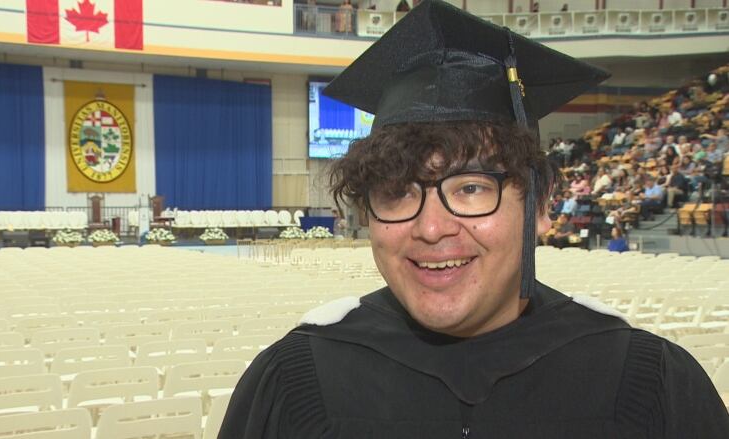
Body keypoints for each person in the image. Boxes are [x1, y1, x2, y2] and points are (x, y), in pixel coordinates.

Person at [219, 2, 729, 438]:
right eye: (397, 193)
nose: (432, 228)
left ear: (541, 206)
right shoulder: (295, 379)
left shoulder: (647, 382)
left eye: (470, 188)